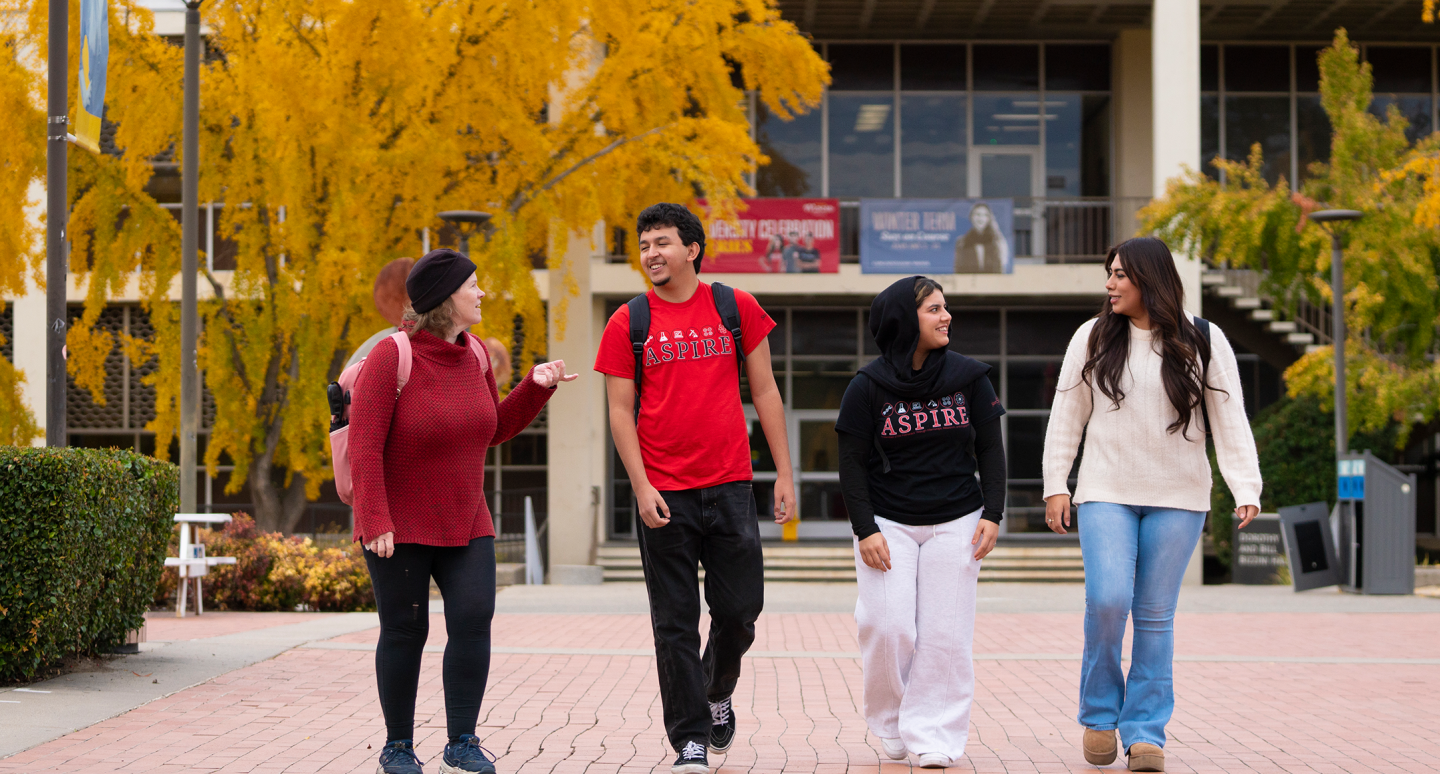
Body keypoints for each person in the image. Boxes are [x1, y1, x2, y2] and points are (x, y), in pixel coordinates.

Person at [349, 248, 578, 774]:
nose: (481, 293)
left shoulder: (474, 354)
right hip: (400, 524)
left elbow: (490, 429)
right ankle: (399, 746)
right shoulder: (392, 356)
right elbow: (364, 446)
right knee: (405, 631)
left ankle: (462, 740)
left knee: (474, 621)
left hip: (467, 517)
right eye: (472, 285)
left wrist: (534, 389)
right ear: (445, 299)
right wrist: (376, 519)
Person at [1041, 237, 1261, 773]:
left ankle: (1144, 732)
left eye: (1120, 274)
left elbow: (1228, 419)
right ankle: (1098, 716)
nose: (1110, 284)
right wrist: (1056, 483)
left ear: (1149, 279)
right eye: (1108, 273)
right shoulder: (1092, 336)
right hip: (1106, 492)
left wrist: (1245, 486)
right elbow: (1067, 414)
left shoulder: (1204, 338)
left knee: (1156, 617)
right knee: (1110, 599)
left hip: (1179, 497)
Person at [594, 203, 796, 774]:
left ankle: (716, 688)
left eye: (661, 243)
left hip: (731, 486)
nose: (651, 254)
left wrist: (783, 472)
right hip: (664, 494)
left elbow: (767, 392)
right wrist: (640, 486)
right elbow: (619, 412)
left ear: (692, 249)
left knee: (739, 611)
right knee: (674, 622)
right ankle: (689, 738)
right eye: (644, 245)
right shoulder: (627, 322)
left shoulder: (735, 308)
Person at [836, 276, 1007, 769]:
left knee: (946, 634)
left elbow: (991, 450)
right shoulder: (866, 388)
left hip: (958, 519)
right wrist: (865, 528)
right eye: (934, 309)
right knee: (889, 628)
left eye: (945, 307)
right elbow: (851, 465)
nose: (946, 316)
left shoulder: (969, 377)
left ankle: (934, 735)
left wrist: (993, 514)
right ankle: (890, 722)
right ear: (904, 321)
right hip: (888, 522)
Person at [953, 203, 1009, 274]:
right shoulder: (961, 242)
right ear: (971, 217)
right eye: (978, 214)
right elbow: (958, 268)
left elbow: (1001, 267)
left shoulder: (996, 241)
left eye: (985, 215)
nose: (981, 218)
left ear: (989, 219)